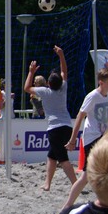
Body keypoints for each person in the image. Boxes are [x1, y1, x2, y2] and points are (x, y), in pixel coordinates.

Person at [25, 46, 77, 191]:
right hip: (67, 126)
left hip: (54, 128)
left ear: (48, 83)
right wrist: (61, 55)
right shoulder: (63, 88)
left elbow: (26, 88)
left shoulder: (44, 92)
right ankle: (47, 183)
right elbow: (64, 72)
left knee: (63, 159)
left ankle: (76, 184)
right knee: (51, 156)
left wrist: (31, 72)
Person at [63, 67, 108, 208]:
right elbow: (80, 116)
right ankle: (67, 206)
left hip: (102, 137)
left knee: (106, 170)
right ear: (101, 83)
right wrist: (72, 140)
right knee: (86, 176)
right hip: (92, 138)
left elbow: (107, 119)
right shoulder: (92, 96)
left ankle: (105, 203)